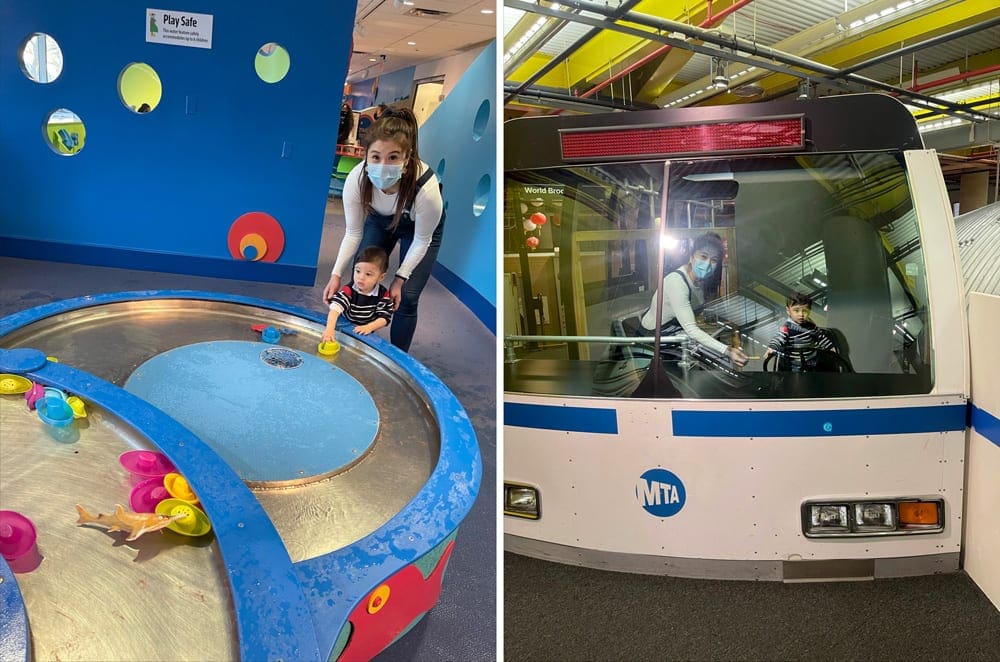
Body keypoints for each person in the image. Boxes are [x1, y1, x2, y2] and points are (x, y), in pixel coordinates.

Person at [323, 107, 444, 352]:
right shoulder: (358, 179)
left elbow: (422, 240)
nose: (383, 165)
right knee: (362, 278)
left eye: (393, 157)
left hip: (419, 232)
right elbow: (353, 233)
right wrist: (335, 274)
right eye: (376, 157)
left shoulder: (426, 189)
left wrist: (399, 279)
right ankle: (354, 341)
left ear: (407, 158)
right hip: (379, 221)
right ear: (366, 155)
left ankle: (400, 358)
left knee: (407, 297)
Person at [637, 231, 749, 367]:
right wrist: (727, 350)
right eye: (703, 256)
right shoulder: (677, 282)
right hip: (650, 343)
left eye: (714, 260)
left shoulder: (700, 282)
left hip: (673, 336)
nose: (707, 264)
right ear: (691, 257)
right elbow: (691, 329)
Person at [322, 246, 394, 342]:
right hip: (343, 324)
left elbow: (385, 317)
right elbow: (335, 309)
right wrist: (329, 329)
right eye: (358, 271)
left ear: (381, 277)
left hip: (365, 330)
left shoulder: (383, 295)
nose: (361, 277)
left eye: (368, 274)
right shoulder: (349, 290)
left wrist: (369, 327)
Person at [763, 292, 837, 372]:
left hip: (812, 359)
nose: (801, 314)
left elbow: (820, 337)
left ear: (810, 310)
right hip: (795, 362)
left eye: (805, 311)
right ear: (788, 310)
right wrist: (772, 348)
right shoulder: (787, 328)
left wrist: (830, 348)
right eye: (796, 310)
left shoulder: (812, 326)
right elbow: (779, 338)